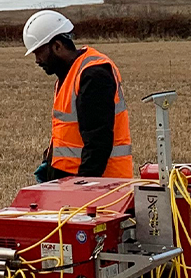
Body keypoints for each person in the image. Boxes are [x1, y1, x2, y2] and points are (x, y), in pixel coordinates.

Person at [22, 10, 133, 179]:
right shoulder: (69, 74)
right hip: (75, 182)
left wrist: (82, 186)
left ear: (57, 46)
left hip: (104, 185)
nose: (37, 60)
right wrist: (50, 162)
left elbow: (98, 142)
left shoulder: (93, 75)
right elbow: (69, 134)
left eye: (39, 52)